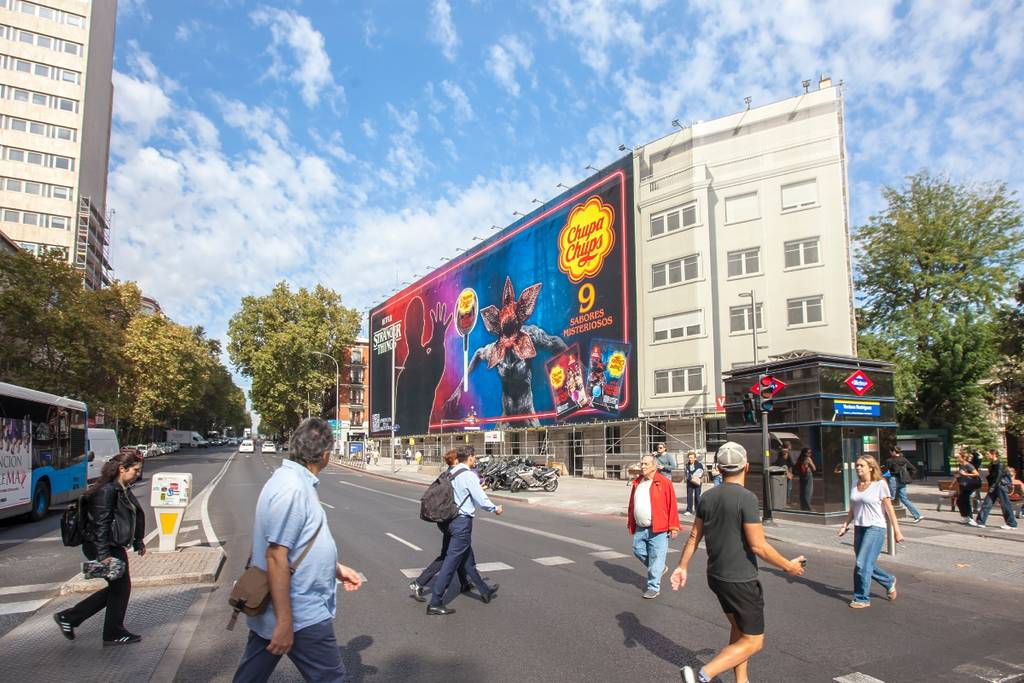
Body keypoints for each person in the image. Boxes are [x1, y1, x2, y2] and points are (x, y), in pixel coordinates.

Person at [233, 418, 363, 682]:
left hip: (278, 606)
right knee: (331, 678)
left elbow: (299, 544)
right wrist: (284, 622)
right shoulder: (292, 488)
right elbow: (276, 555)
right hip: (300, 610)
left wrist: (336, 569)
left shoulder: (290, 481)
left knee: (250, 676)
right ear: (326, 454)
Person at [673, 442, 805, 683]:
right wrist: (789, 566)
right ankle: (701, 675)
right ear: (746, 466)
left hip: (716, 576)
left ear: (719, 469)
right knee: (754, 641)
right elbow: (759, 546)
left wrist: (682, 566)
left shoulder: (707, 497)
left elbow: (694, 536)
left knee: (739, 631)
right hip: (741, 579)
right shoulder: (746, 498)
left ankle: (741, 681)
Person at [54, 450, 146, 646]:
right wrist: (103, 554)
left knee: (119, 588)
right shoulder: (107, 490)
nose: (138, 473)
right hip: (102, 546)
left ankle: (70, 618)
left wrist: (138, 540)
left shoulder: (121, 487)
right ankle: (111, 632)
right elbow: (100, 525)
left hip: (111, 545)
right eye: (135, 470)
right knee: (120, 589)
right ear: (122, 469)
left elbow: (134, 516)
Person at [427, 447, 502, 615]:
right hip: (461, 522)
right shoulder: (468, 475)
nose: (475, 460)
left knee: (466, 557)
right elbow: (481, 500)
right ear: (469, 458)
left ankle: (484, 590)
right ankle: (435, 602)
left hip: (448, 520)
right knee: (450, 563)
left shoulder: (450, 472)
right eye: (474, 457)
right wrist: (494, 508)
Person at [838, 456, 902, 608]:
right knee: (864, 563)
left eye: (861, 465)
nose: (858, 468)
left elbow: (889, 509)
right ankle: (888, 580)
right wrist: (845, 525)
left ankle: (862, 598)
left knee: (862, 563)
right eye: (857, 466)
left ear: (871, 467)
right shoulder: (855, 484)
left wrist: (897, 531)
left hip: (875, 527)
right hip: (859, 527)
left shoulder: (880, 484)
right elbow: (853, 508)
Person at [409, 450, 473, 602]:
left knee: (455, 554)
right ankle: (419, 584)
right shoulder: (458, 475)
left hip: (445, 519)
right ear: (456, 461)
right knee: (450, 555)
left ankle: (465, 582)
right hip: (454, 520)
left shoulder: (447, 474)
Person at [627, 454, 680, 599]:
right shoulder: (638, 482)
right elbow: (632, 504)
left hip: (659, 528)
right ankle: (660, 568)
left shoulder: (663, 482)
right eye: (642, 464)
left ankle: (653, 586)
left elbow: (672, 505)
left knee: (656, 557)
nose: (642, 466)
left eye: (646, 464)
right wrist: (631, 521)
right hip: (640, 527)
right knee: (637, 550)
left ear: (654, 466)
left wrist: (674, 526)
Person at [976, 450, 1018, 530]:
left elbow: (998, 476)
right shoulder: (992, 464)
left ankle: (1011, 523)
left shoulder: (1000, 464)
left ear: (994, 454)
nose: (987, 456)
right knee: (987, 503)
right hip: (994, 486)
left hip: (1000, 486)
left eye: (988, 454)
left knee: (1005, 504)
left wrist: (993, 486)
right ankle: (980, 521)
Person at [884, 446, 924, 523]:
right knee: (904, 499)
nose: (890, 453)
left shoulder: (889, 460)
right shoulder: (904, 459)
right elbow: (913, 469)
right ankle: (918, 515)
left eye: (890, 451)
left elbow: (885, 471)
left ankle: (886, 517)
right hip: (903, 481)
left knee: (889, 498)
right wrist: (908, 476)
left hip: (893, 480)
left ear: (893, 452)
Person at [955, 451, 983, 525]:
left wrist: (965, 474)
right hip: (963, 485)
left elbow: (976, 474)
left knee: (962, 501)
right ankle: (966, 517)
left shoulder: (968, 465)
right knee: (962, 501)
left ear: (963, 457)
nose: (957, 458)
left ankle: (969, 518)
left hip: (969, 485)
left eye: (958, 457)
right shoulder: (961, 465)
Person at [683, 451, 705, 517]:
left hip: (697, 482)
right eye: (689, 458)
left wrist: (691, 475)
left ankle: (698, 510)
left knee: (697, 496)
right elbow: (686, 473)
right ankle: (689, 510)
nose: (690, 459)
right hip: (690, 482)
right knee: (689, 496)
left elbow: (700, 472)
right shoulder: (687, 465)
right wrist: (690, 476)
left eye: (692, 458)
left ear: (695, 458)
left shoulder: (699, 464)